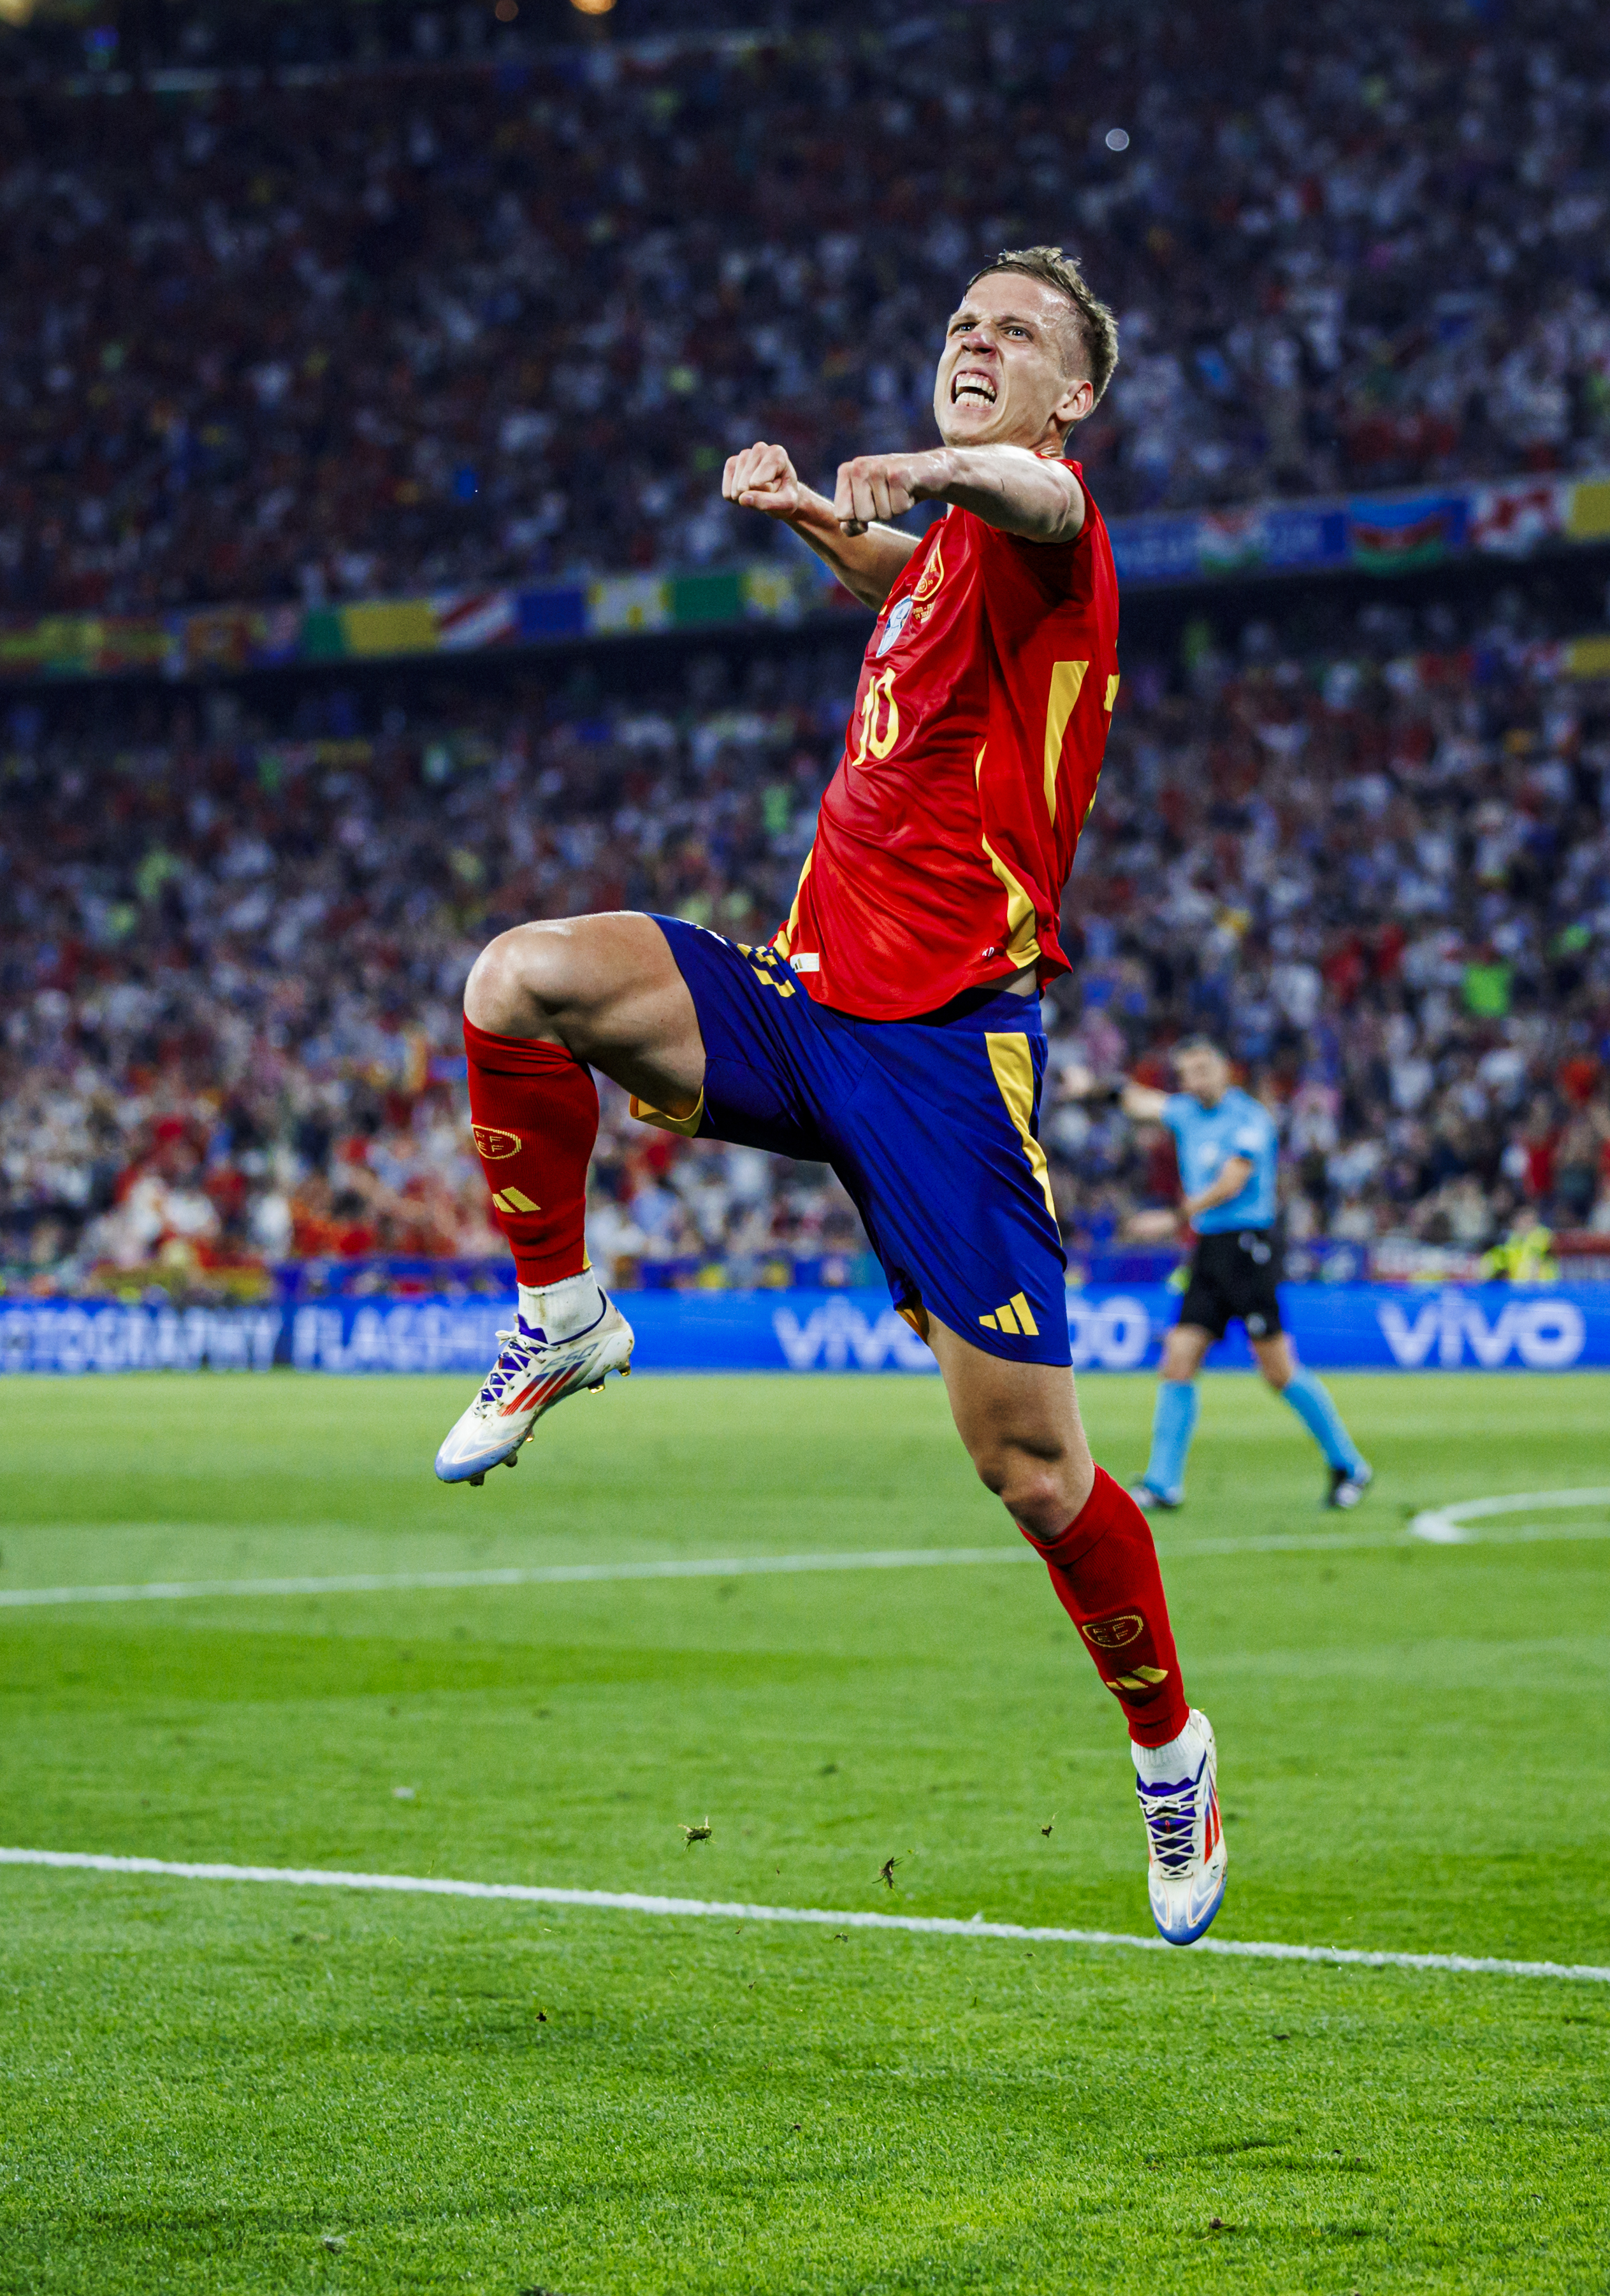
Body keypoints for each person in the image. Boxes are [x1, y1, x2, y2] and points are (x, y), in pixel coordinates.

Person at [435, 249, 1226, 1945]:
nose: (974, 346)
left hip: (945, 1051)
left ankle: (1168, 1751)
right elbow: (904, 578)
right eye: (957, 325)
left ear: (1069, 393)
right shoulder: (947, 560)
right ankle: (559, 1315)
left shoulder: (1050, 527)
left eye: (1011, 335)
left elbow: (1013, 500)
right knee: (519, 979)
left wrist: (934, 466)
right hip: (804, 1005)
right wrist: (809, 509)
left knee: (1026, 1470)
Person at [1116, 1040, 1372, 1511]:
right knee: (1178, 1357)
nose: (1194, 1081)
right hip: (1210, 1252)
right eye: (1186, 1073)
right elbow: (1139, 1102)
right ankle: (1161, 1482)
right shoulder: (1186, 1111)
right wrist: (1092, 1086)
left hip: (1248, 1247)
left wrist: (1174, 1218)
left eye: (1202, 1070)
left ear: (1223, 1071)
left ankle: (1348, 1462)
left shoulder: (1249, 1118)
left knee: (1277, 1370)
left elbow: (1234, 1180)